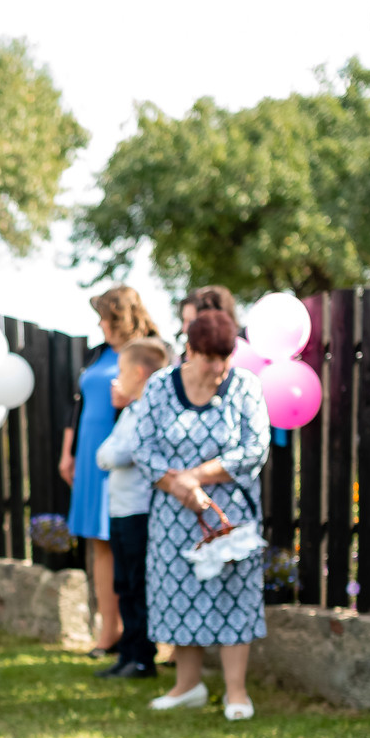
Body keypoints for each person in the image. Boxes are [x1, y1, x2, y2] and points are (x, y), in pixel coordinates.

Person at [131, 305, 271, 717]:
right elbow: (143, 448)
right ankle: (187, 685)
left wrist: (195, 477)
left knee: (235, 593)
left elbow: (254, 447)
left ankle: (236, 691)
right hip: (173, 514)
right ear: (190, 351)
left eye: (226, 357)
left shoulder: (245, 385)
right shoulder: (159, 387)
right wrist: (177, 485)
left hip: (230, 514)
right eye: (211, 357)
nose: (219, 367)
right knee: (177, 592)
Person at [62, 286, 159, 655]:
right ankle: (109, 631)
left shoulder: (150, 350)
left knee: (127, 541)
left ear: (120, 317)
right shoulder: (98, 352)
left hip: (123, 451)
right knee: (99, 542)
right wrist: (67, 451)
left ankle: (142, 633)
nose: (99, 323)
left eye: (104, 316)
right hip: (90, 452)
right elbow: (77, 401)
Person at [92, 335, 172, 679]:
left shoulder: (147, 411)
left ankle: (142, 657)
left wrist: (109, 456)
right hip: (121, 509)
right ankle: (127, 652)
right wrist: (108, 456)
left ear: (139, 373)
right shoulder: (130, 411)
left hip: (139, 510)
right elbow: (105, 451)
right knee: (123, 583)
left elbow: (120, 453)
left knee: (138, 585)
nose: (116, 378)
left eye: (121, 370)